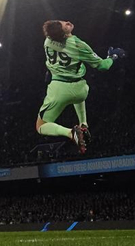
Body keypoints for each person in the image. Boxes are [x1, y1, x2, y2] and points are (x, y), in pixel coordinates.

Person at [36, 20, 124, 153]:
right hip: (81, 90)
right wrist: (113, 57)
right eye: (64, 25)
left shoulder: (47, 41)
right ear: (63, 33)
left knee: (41, 126)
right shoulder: (78, 45)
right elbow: (103, 66)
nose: (67, 22)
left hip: (59, 90)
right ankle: (82, 125)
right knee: (78, 91)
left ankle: (70, 132)